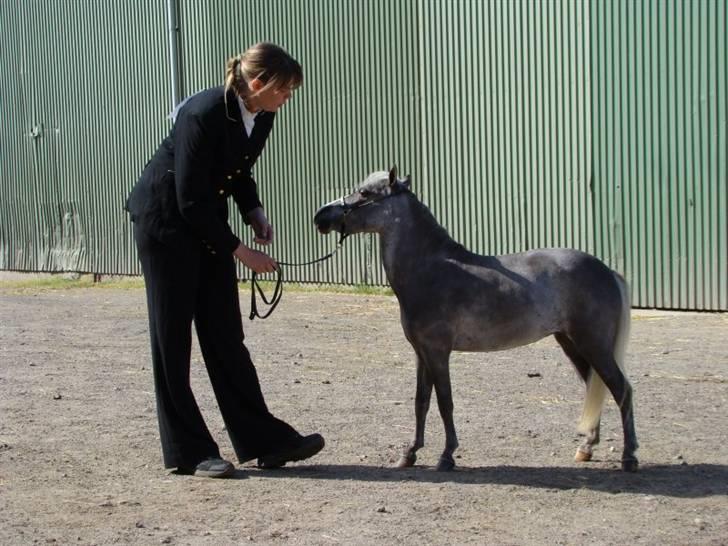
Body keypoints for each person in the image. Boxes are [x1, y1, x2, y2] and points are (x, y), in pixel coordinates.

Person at [125, 42, 324, 478]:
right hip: (166, 223)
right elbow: (190, 199)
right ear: (258, 83)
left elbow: (236, 169)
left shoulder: (263, 114)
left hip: (205, 221)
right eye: (285, 89)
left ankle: (264, 441)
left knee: (224, 334)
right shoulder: (203, 112)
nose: (289, 98)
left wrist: (254, 211)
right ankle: (188, 451)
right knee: (172, 339)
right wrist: (242, 251)